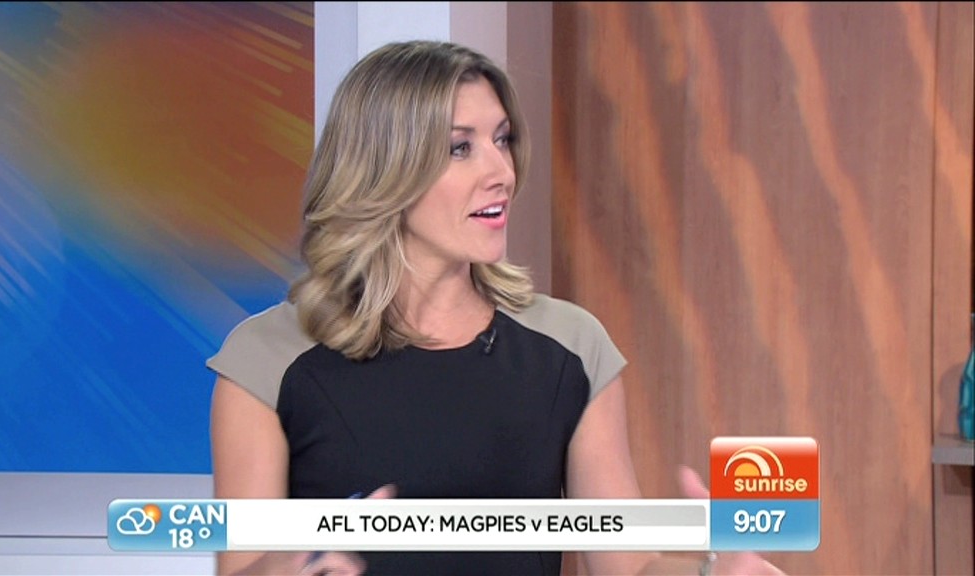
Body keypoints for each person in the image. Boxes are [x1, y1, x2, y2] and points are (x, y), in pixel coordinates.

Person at [208, 39, 785, 576]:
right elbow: (245, 566)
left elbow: (627, 564)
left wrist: (712, 572)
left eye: (502, 140)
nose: (502, 173)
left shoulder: (570, 347)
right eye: (460, 148)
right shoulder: (267, 359)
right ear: (384, 170)